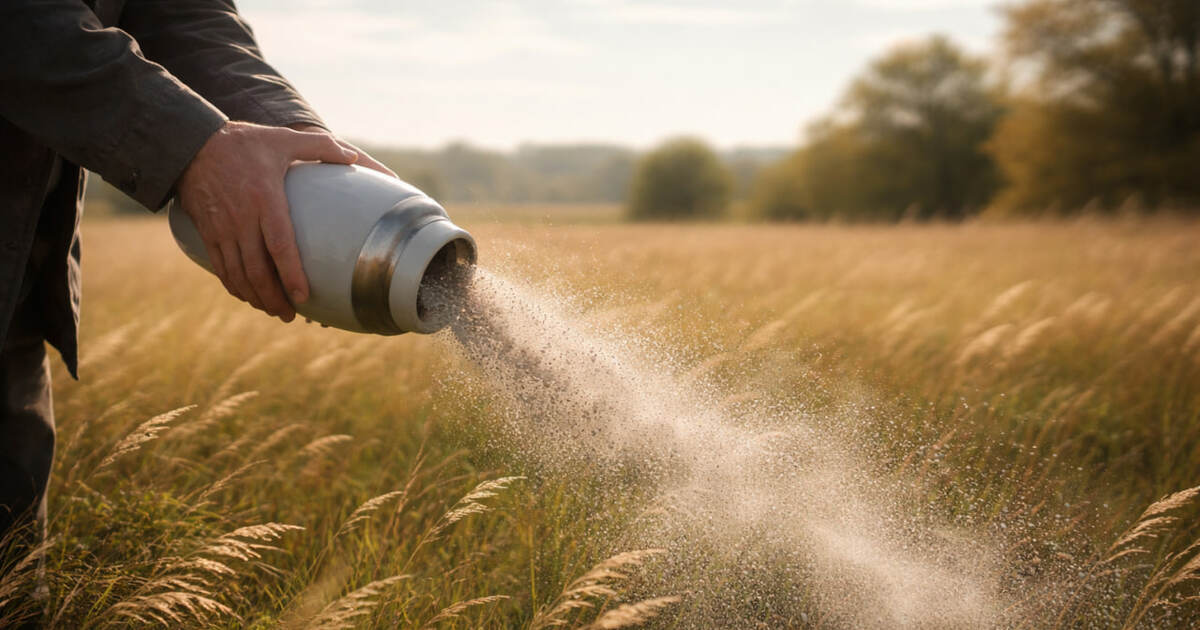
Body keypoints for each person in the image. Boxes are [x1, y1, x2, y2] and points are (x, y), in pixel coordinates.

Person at [0, 0, 395, 614]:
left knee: (13, 592)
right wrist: (194, 147)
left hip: (18, 289)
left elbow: (185, 17)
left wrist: (295, 143)